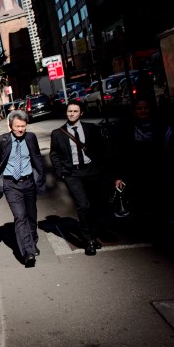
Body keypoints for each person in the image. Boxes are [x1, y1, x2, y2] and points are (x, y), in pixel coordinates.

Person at [0, 109, 46, 267]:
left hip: (29, 183)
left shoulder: (31, 138)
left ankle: (32, 242)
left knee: (31, 215)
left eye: (23, 126)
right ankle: (27, 252)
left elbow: (37, 157)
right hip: (11, 184)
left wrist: (40, 175)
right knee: (20, 217)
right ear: (10, 126)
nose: (20, 129)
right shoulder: (1, 141)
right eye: (17, 126)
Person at [49, 101, 107, 256]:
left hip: (91, 171)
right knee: (83, 205)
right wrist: (60, 171)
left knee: (95, 204)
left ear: (81, 113)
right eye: (69, 111)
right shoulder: (58, 133)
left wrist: (101, 167)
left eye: (75, 111)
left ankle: (93, 236)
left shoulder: (90, 128)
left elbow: (100, 148)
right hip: (72, 173)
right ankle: (88, 240)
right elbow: (54, 154)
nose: (72, 114)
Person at [109, 97, 174, 218]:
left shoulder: (159, 126)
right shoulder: (125, 128)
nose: (143, 111)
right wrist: (118, 176)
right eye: (139, 108)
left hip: (156, 170)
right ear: (134, 111)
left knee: (158, 203)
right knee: (138, 206)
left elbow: (166, 147)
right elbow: (119, 153)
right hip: (134, 173)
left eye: (145, 108)